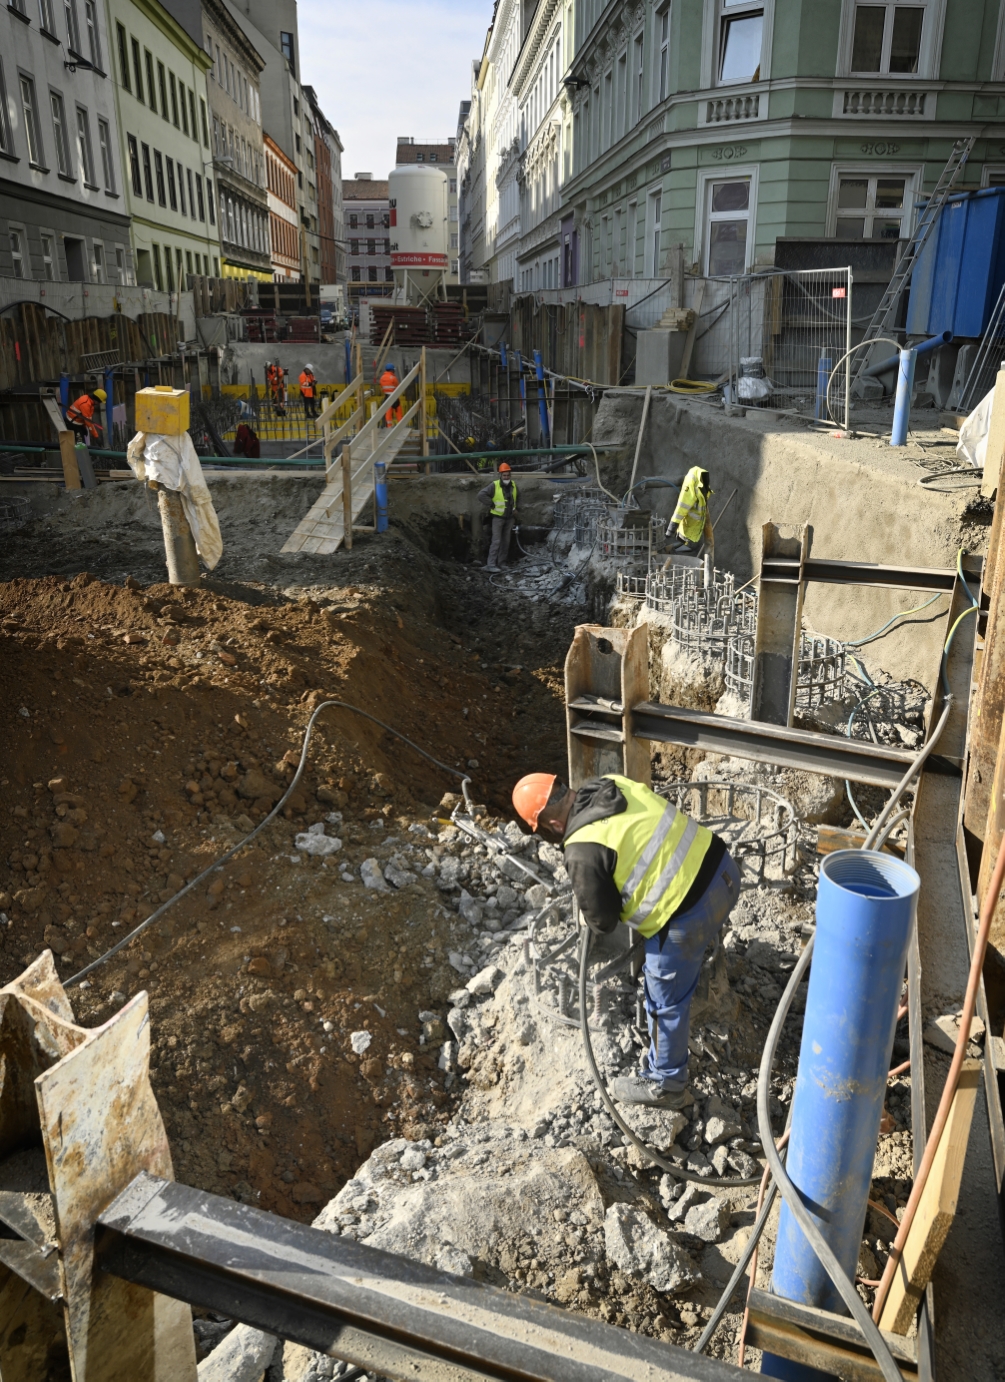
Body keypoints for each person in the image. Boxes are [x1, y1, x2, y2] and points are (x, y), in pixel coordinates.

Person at [511, 770, 739, 1109]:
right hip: (725, 874)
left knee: (664, 1000)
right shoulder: (612, 783)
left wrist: (591, 904)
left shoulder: (581, 849)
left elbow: (602, 921)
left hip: (687, 917)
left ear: (548, 826)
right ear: (562, 787)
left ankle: (667, 1085)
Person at [478, 462, 518, 572]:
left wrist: (514, 509)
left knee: (506, 541)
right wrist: (491, 504)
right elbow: (481, 495)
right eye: (504, 475)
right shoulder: (494, 485)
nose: (506, 477)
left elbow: (513, 500)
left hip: (509, 518)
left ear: (510, 475)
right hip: (498, 518)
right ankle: (490, 564)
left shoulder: (513, 485)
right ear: (500, 475)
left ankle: (501, 563)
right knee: (496, 541)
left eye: (508, 475)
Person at [669, 466, 713, 555]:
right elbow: (682, 507)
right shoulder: (691, 485)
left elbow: (681, 507)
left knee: (707, 544)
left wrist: (670, 529)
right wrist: (671, 527)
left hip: (693, 527)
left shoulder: (699, 486)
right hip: (690, 528)